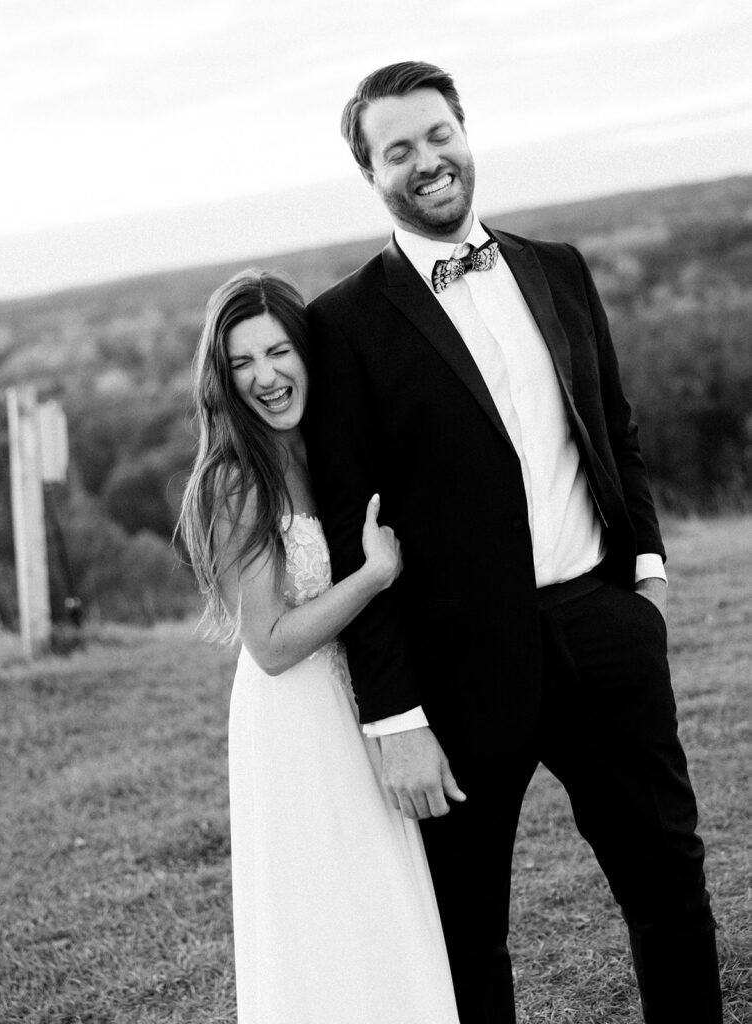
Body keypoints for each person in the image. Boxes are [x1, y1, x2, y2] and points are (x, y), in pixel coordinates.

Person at [304, 61, 723, 1024]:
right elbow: (346, 533)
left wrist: (645, 580)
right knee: (466, 935)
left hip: (602, 626)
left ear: (465, 132)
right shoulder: (343, 325)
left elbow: (613, 430)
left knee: (668, 887)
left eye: (437, 134)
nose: (427, 161)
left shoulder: (557, 267)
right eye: (397, 149)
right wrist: (393, 716)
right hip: (455, 675)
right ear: (370, 174)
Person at [176, 269, 460, 1023]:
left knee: (380, 896)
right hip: (296, 719)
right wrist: (372, 577)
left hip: (353, 697)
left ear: (308, 351)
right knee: (327, 914)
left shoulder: (325, 447)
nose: (265, 377)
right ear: (223, 380)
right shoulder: (238, 479)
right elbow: (268, 643)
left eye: (278, 352)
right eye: (242, 364)